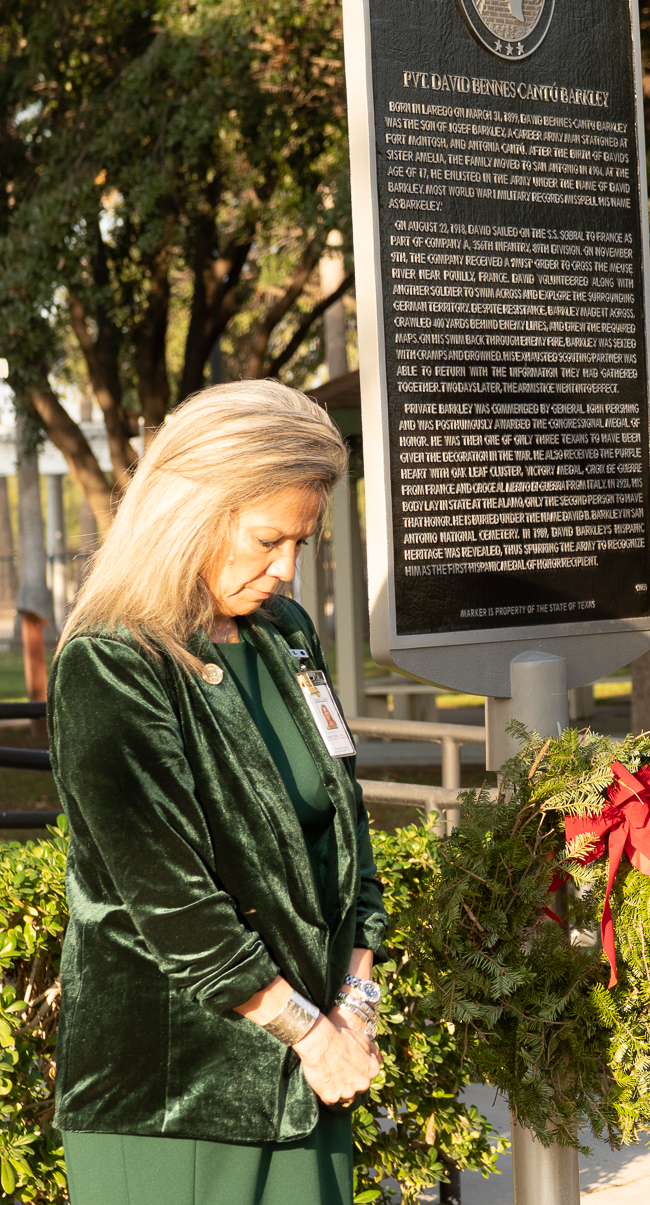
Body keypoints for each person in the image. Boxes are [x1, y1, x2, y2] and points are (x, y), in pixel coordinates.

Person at [51, 381, 386, 1205]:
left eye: (302, 540)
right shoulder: (111, 661)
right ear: (192, 512)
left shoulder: (286, 633)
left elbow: (347, 830)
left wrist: (357, 1000)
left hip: (312, 1075)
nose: (287, 568)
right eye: (269, 539)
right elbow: (173, 902)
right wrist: (312, 1033)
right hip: (175, 1097)